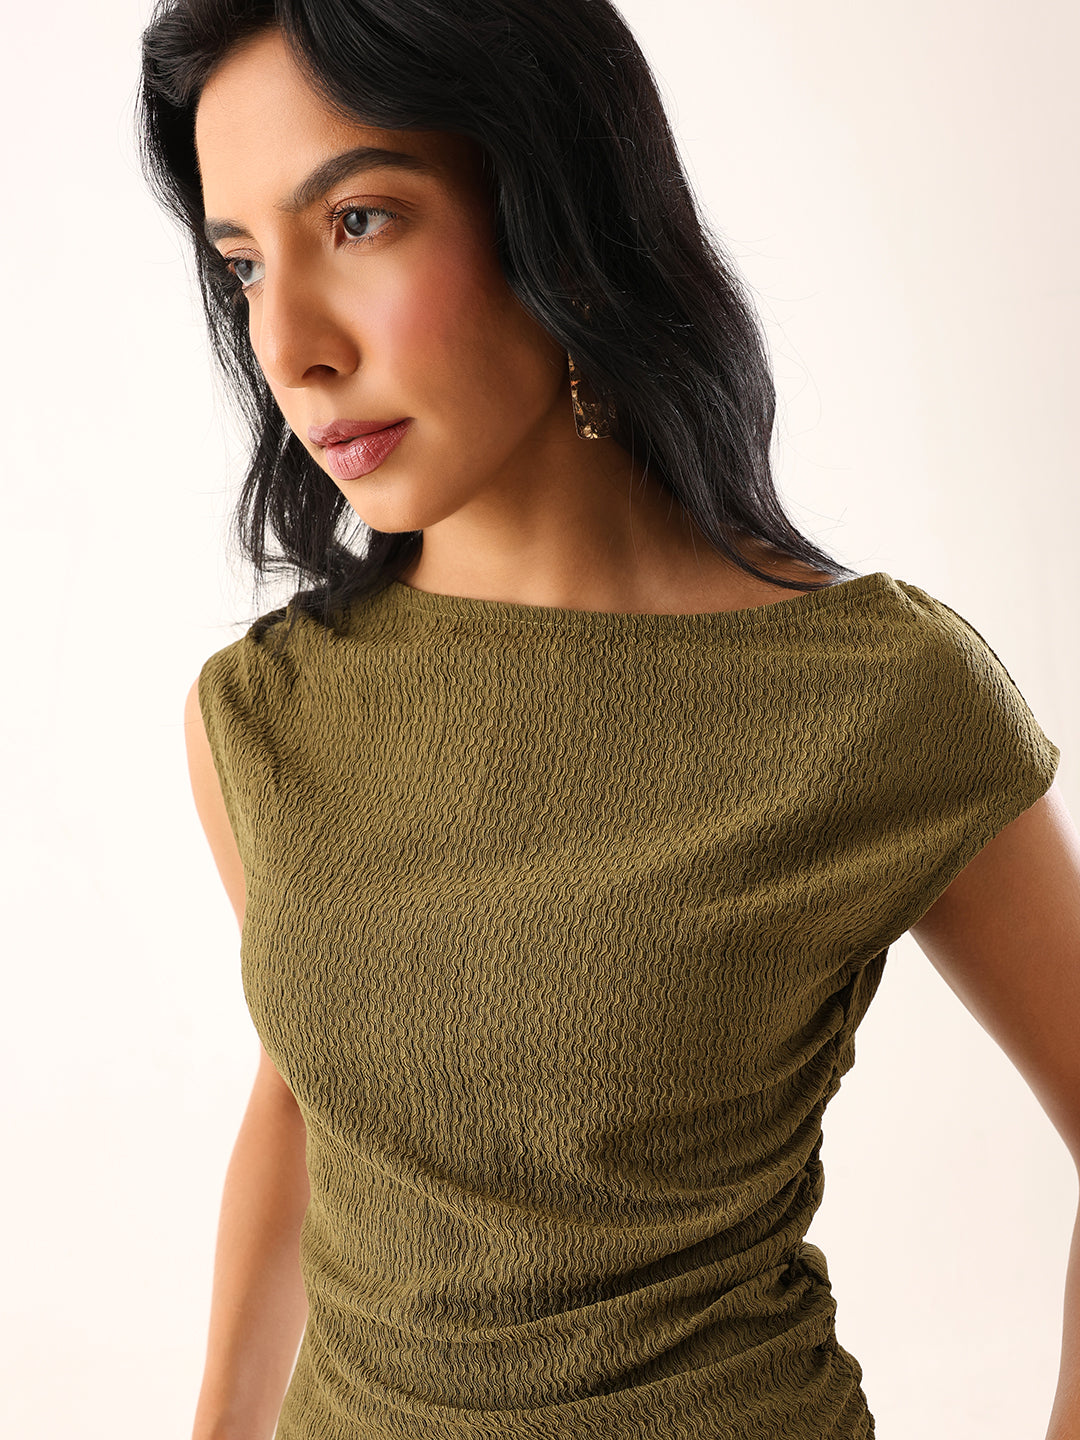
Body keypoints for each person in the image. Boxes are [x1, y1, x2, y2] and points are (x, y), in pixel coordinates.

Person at [137, 2, 1080, 1437]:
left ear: (559, 210)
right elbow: (312, 1098)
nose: (292, 346)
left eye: (361, 222)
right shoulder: (263, 715)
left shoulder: (879, 694)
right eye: (246, 264)